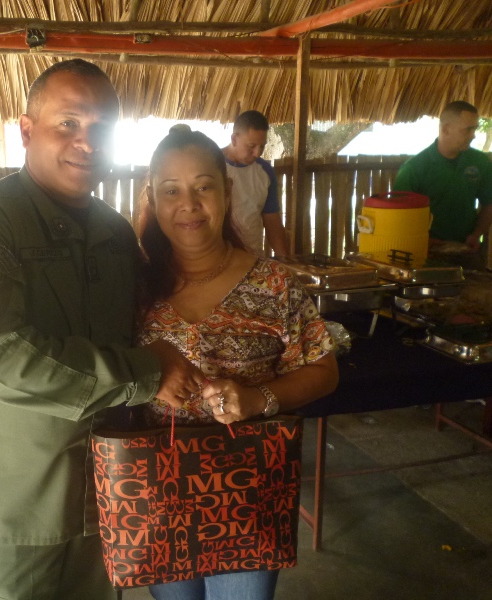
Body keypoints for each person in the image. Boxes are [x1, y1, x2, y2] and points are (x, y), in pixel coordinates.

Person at [0, 59, 204, 600]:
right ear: (27, 130)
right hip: (12, 507)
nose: (87, 142)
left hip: (106, 496)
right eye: (68, 123)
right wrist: (145, 374)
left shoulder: (113, 234)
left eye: (102, 128)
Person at [135, 125, 339, 600]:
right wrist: (148, 371)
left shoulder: (274, 284)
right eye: (171, 190)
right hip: (158, 492)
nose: (189, 204)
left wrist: (257, 398)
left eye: (203, 187)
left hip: (248, 494)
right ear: (153, 197)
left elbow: (323, 370)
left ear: (227, 192)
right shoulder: (132, 286)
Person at [393, 100, 492, 265]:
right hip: (425, 255)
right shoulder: (414, 168)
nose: (473, 135)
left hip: (466, 252)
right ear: (446, 129)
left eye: (474, 129)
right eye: (467, 129)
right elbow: (398, 216)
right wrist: (423, 241)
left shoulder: (480, 162)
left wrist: (476, 235)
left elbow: (490, 204)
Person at [222, 110, 290, 257]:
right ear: (234, 139)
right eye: (251, 146)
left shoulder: (265, 172)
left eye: (262, 146)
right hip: (220, 259)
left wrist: (285, 260)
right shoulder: (213, 165)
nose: (257, 153)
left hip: (253, 257)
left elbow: (272, 220)